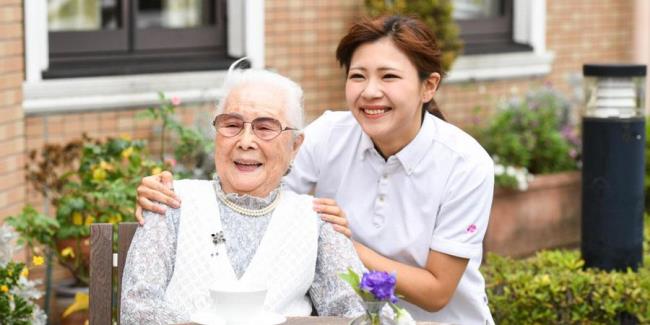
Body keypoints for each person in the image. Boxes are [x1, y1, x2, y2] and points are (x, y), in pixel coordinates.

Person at [136, 15, 495, 324]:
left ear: (428, 86)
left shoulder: (464, 163)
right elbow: (254, 185)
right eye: (358, 76)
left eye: (389, 77)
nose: (370, 91)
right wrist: (166, 192)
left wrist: (339, 241)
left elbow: (436, 292)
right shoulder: (328, 134)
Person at [120, 67, 367, 325]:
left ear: (294, 146)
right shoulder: (171, 200)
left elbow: (357, 310)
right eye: (232, 125)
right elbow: (138, 309)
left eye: (265, 127)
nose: (246, 141)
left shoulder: (316, 220)